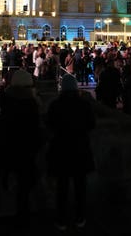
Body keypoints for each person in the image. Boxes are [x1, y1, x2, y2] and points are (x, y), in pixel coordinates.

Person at [0, 69, 43, 226]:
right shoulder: (33, 102)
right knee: (24, 185)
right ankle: (23, 215)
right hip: (26, 148)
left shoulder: (5, 98)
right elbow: (36, 126)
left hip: (6, 144)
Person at [47, 73, 96, 231]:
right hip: (80, 149)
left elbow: (50, 125)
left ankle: (61, 219)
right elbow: (91, 124)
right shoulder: (84, 105)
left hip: (61, 149)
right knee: (80, 186)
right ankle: (80, 217)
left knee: (62, 187)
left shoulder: (55, 105)